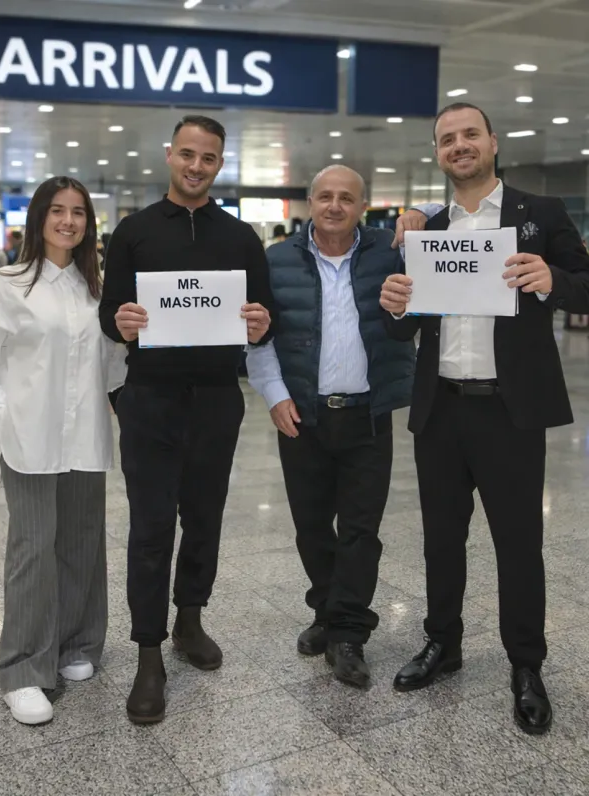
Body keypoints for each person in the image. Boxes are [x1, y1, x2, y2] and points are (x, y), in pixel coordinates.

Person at [380, 102, 589, 735]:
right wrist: (396, 305)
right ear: (438, 154)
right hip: (441, 408)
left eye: (470, 134)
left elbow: (585, 281)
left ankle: (526, 664)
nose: (460, 145)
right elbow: (411, 321)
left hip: (510, 410)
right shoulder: (430, 228)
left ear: (493, 142)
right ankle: (443, 644)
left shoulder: (539, 215)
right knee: (442, 539)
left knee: (518, 544)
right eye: (448, 139)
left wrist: (552, 277)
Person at [99, 114, 273, 724]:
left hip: (216, 398)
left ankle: (189, 621)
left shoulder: (240, 236)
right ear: (170, 155)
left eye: (209, 159)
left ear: (219, 165)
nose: (197, 166)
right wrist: (120, 322)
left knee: (203, 518)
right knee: (151, 528)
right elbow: (108, 314)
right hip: (150, 398)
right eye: (188, 155)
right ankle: (148, 653)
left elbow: (263, 311)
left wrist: (260, 322)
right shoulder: (134, 231)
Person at [0, 177, 125, 726]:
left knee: (81, 543)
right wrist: (11, 417)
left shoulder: (96, 289)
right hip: (29, 442)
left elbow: (113, 367)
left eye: (78, 212)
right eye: (58, 211)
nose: (69, 221)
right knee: (32, 549)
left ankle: (76, 644)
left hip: (85, 438)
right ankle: (24, 667)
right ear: (38, 218)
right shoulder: (8, 285)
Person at [246, 165, 415, 688]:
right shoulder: (276, 261)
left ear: (363, 206)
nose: (335, 206)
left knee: (361, 531)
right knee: (312, 526)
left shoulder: (391, 253)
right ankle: (326, 609)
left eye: (347, 197)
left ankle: (347, 632)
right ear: (309, 203)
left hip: (368, 415)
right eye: (325, 196)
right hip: (303, 416)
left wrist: (421, 212)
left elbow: (446, 232)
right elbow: (258, 336)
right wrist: (274, 396)